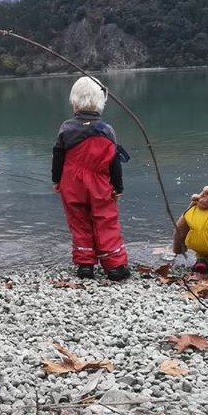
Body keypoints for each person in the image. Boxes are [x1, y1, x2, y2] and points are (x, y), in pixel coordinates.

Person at [52, 76, 131, 281]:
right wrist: (118, 187)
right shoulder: (107, 130)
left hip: (71, 184)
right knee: (106, 220)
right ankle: (114, 265)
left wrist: (56, 180)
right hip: (100, 184)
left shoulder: (66, 129)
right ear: (101, 103)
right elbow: (114, 163)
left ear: (74, 103)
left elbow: (58, 157)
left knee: (79, 222)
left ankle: (85, 265)